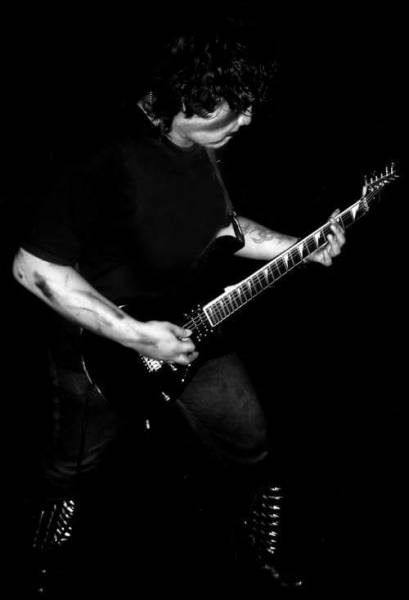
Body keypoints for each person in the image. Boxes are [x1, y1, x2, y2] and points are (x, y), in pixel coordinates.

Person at [13, 23, 345, 595]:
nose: (248, 120)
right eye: (233, 108)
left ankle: (261, 548)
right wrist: (138, 336)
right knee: (72, 466)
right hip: (96, 350)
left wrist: (302, 247)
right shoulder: (102, 156)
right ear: (185, 101)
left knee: (251, 438)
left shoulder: (201, 146)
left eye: (249, 105)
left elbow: (222, 227)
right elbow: (32, 268)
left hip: (190, 323)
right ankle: (41, 555)